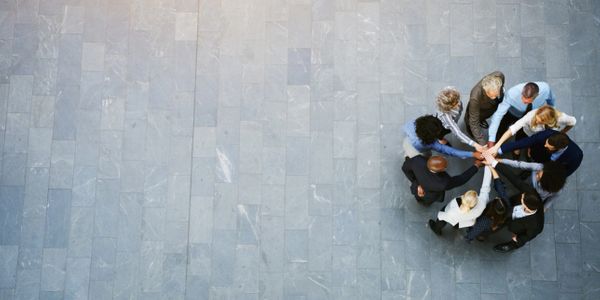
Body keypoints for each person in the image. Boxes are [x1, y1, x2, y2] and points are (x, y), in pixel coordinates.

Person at [490, 164, 544, 253]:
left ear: (526, 206)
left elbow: (529, 235)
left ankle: (510, 246)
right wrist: (495, 163)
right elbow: (515, 180)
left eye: (522, 199)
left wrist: (519, 239)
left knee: (516, 241)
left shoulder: (536, 225)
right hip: (511, 209)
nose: (522, 195)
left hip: (516, 226)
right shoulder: (530, 192)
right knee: (499, 220)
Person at [487, 82, 556, 148]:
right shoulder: (511, 94)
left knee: (524, 131)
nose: (524, 101)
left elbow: (551, 101)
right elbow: (498, 115)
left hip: (532, 115)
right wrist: (491, 139)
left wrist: (550, 112)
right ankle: (498, 140)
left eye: (528, 100)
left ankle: (518, 146)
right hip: (513, 113)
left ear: (537, 95)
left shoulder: (545, 89)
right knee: (502, 126)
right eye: (523, 97)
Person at [490, 105, 576, 157]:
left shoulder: (561, 118)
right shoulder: (530, 115)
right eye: (537, 118)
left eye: (541, 121)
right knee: (521, 140)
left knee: (539, 145)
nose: (537, 121)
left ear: (549, 120)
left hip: (546, 137)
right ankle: (519, 148)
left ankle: (530, 148)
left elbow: (573, 122)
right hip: (528, 133)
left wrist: (563, 132)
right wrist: (497, 146)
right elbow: (512, 129)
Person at [490, 130, 582, 177]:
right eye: (546, 142)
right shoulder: (546, 134)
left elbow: (566, 172)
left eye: (548, 146)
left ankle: (528, 172)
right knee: (531, 160)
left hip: (549, 166)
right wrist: (498, 150)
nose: (545, 145)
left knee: (534, 168)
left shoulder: (576, 155)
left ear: (558, 148)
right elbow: (523, 142)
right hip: (537, 154)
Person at [428, 167, 492, 235]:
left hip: (451, 216)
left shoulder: (454, 207)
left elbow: (444, 216)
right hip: (466, 221)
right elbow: (486, 186)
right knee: (458, 222)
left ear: (464, 195)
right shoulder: (482, 202)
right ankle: (456, 226)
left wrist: (440, 215)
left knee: (442, 217)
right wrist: (489, 166)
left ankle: (436, 228)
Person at [402, 155, 482, 206]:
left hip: (417, 188)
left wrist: (416, 183)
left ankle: (420, 200)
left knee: (419, 197)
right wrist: (476, 166)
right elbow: (461, 179)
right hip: (430, 195)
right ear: (441, 170)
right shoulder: (443, 183)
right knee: (426, 202)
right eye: (445, 167)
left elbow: (405, 168)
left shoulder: (417, 160)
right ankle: (424, 203)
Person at [496, 158, 567, 210]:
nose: (536, 175)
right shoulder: (540, 167)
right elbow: (519, 164)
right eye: (538, 173)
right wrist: (502, 160)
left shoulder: (557, 190)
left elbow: (551, 200)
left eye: (539, 177)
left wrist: (544, 209)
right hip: (526, 185)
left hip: (534, 198)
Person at [403, 115, 483, 159]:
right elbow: (451, 151)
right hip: (417, 151)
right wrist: (473, 154)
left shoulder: (411, 124)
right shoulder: (432, 144)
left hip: (407, 142)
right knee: (426, 156)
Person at [434, 87, 485, 152]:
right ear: (448, 106)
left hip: (453, 120)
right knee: (441, 132)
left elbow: (459, 109)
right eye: (455, 104)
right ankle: (440, 139)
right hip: (443, 126)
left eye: (457, 100)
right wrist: (475, 144)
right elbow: (458, 133)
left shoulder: (456, 101)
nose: (458, 103)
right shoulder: (446, 116)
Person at [465, 71, 505, 145]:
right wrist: (482, 143)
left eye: (496, 95)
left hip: (489, 109)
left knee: (485, 115)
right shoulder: (475, 97)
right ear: (485, 89)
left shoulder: (499, 75)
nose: (494, 98)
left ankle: (482, 119)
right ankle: (470, 130)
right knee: (471, 122)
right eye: (491, 96)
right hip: (479, 108)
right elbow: (473, 122)